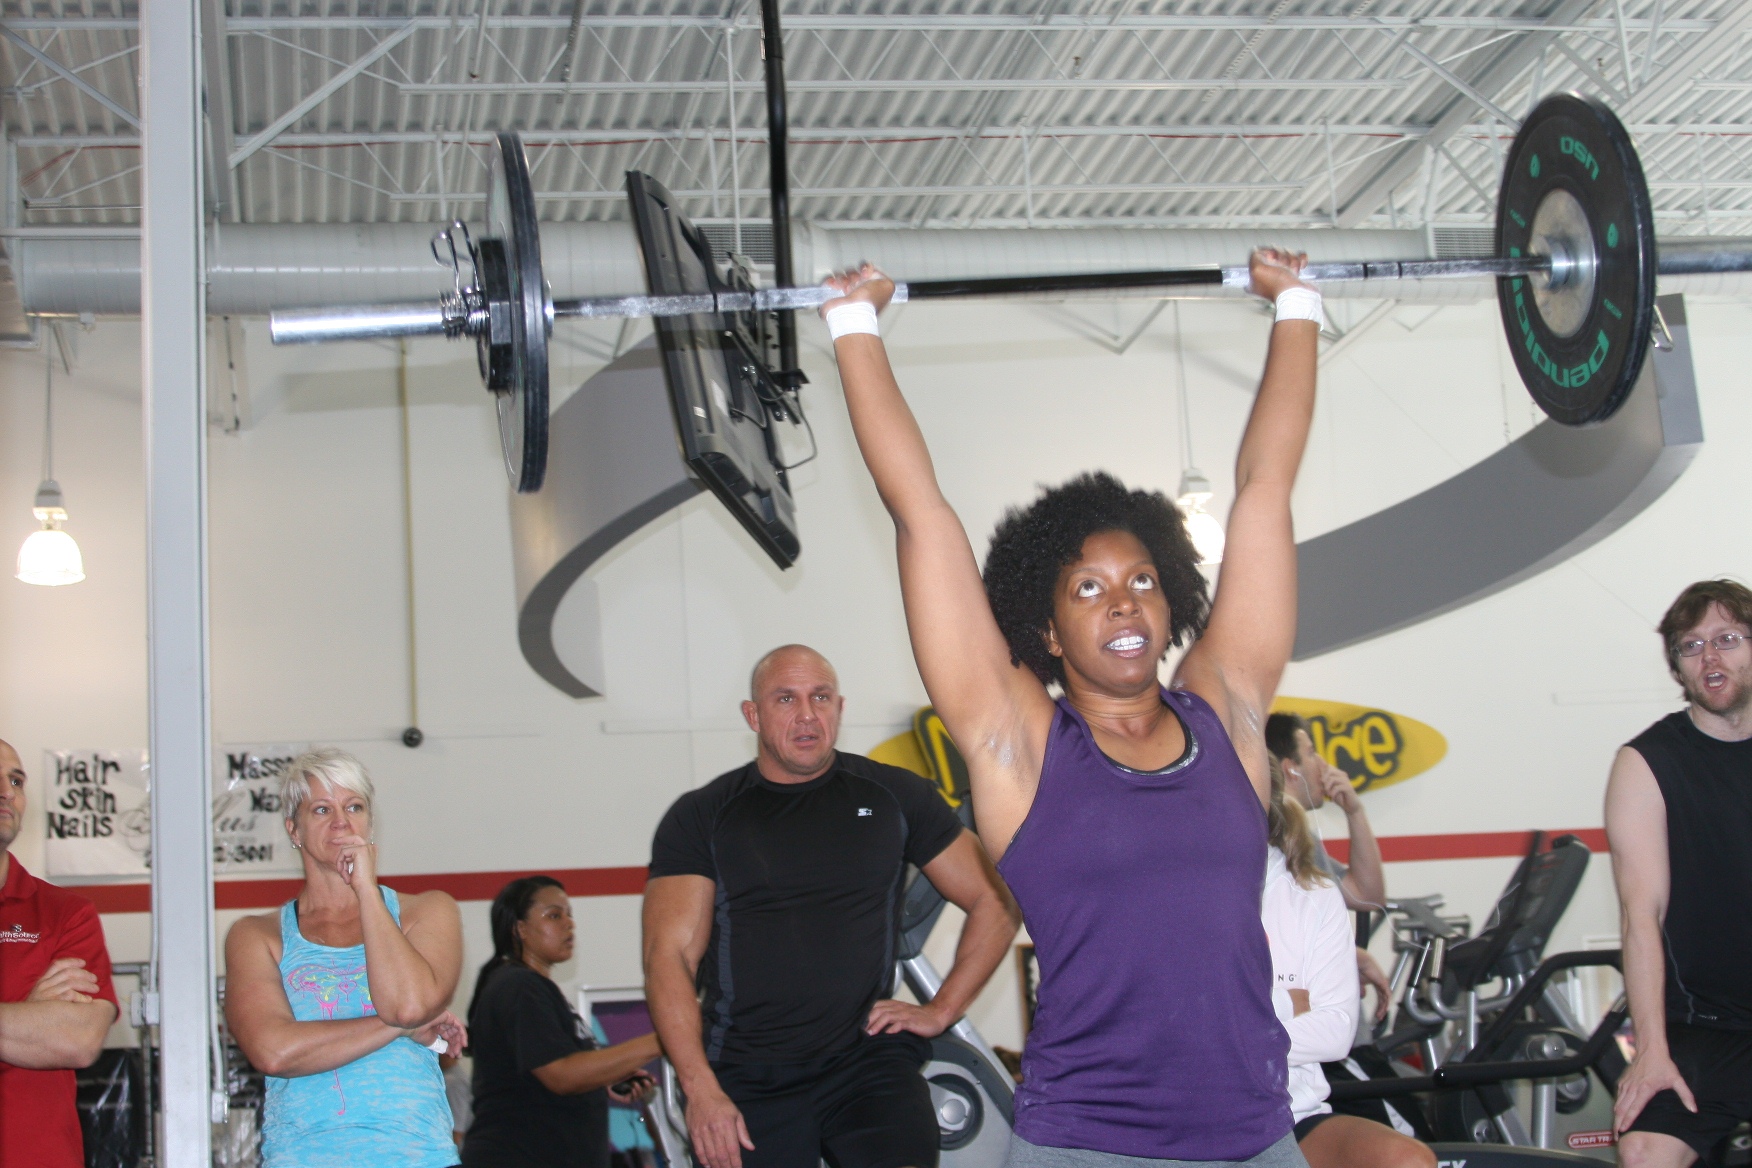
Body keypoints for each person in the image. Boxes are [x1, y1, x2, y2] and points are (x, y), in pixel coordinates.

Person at [818, 249, 1319, 1168]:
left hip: (1255, 1134)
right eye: (1088, 588)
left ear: (1171, 599)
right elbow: (921, 512)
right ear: (1045, 629)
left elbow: (1265, 491)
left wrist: (1296, 307)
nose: (1123, 603)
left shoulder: (1229, 710)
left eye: (1140, 581)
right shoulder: (1019, 742)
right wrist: (856, 325)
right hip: (1088, 1139)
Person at [643, 644, 1022, 1168]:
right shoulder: (704, 816)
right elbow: (669, 959)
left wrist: (942, 1009)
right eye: (785, 699)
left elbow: (996, 900)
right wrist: (700, 1088)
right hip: (748, 1073)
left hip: (864, 1061)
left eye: (820, 697)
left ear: (839, 709)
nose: (807, 714)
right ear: (753, 715)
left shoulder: (894, 795)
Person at [224, 747, 466, 1168]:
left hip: (417, 1156)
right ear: (294, 829)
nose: (341, 821)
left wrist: (366, 890)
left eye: (354, 806)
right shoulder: (256, 935)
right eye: (321, 809)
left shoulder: (428, 910)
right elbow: (274, 1052)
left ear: (370, 822)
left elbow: (408, 1004)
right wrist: (403, 1029)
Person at [1607, 579, 1752, 1168]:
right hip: (1704, 1023)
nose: (1710, 657)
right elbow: (1641, 914)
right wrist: (1651, 1050)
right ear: (1677, 667)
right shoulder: (1646, 763)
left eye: (1727, 639)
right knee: (1643, 1152)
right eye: (1691, 646)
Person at [1262, 760, 1434, 1168]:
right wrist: (1288, 1003)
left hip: (1289, 1114)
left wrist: (1355, 811)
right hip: (1181, 1118)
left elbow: (1335, 1033)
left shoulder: (1308, 891)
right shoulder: (1163, 888)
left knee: (1409, 1156)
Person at [463, 875, 661, 1168]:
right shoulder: (520, 987)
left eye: (569, 915)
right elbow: (561, 1075)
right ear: (520, 929)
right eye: (554, 915)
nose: (569, 924)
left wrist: (604, 1079)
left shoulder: (533, 989)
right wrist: (663, 1039)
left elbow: (544, 1073)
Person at [0, 738, 119, 1168]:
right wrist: (27, 1016)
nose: (7, 792)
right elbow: (48, 1035)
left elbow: (78, 1040)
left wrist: (43, 1025)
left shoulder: (66, 913)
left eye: (16, 781)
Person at [1265, 713, 1393, 1020]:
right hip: (1313, 1023)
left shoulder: (1300, 837)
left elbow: (1368, 896)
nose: (1322, 764)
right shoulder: (1286, 838)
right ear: (1290, 768)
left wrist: (1355, 812)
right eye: (1311, 753)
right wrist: (1354, 956)